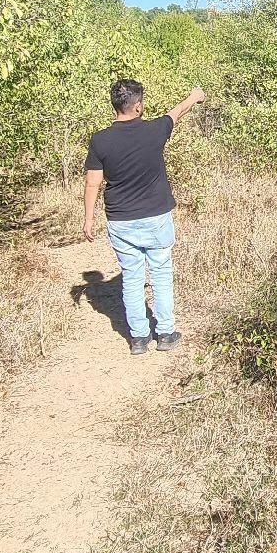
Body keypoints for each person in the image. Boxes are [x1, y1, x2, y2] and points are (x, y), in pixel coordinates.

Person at [83, 77, 205, 354]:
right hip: (156, 217)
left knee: (132, 277)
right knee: (161, 274)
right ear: (137, 106)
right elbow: (177, 113)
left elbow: (93, 183)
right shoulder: (154, 131)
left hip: (120, 220)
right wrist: (194, 96)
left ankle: (138, 338)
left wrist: (88, 218)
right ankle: (165, 333)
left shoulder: (100, 141)